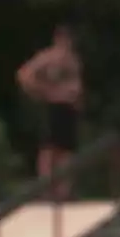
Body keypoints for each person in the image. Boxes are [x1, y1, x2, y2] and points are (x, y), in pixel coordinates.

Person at [16, 24, 83, 199]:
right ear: (58, 38)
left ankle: (64, 191)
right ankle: (46, 190)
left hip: (70, 108)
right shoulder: (50, 56)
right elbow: (24, 74)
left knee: (67, 151)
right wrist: (47, 91)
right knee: (50, 149)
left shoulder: (72, 58)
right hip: (55, 106)